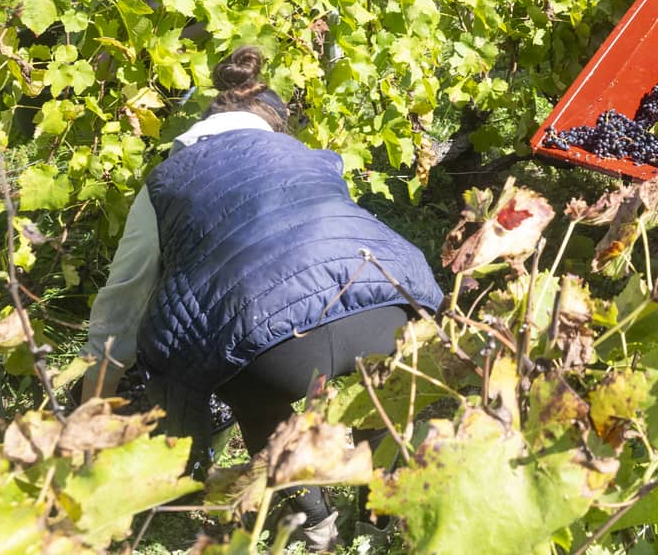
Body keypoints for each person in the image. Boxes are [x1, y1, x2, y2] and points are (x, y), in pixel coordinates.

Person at [82, 46, 442, 548]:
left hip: (276, 352)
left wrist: (91, 404)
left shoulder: (165, 182)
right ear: (271, 124)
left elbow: (125, 293)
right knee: (377, 403)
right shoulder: (309, 158)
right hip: (385, 307)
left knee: (252, 393)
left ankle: (317, 523)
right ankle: (380, 524)